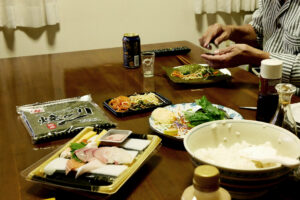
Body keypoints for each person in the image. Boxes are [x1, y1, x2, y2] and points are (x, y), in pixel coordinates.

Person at [199, 0, 300, 95]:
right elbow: (258, 31)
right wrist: (231, 31)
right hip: (264, 87)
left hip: (293, 98)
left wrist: (258, 57)